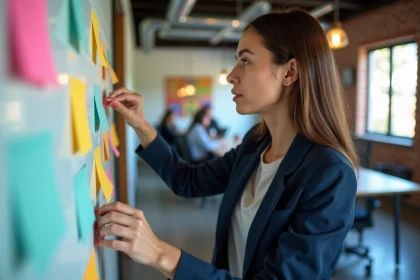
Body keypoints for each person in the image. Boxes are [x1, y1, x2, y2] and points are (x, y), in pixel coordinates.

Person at [98, 8, 358, 280]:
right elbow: (187, 180)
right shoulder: (255, 145)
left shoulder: (330, 173)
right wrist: (141, 124)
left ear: (289, 72)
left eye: (245, 61)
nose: (232, 75)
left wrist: (160, 254)